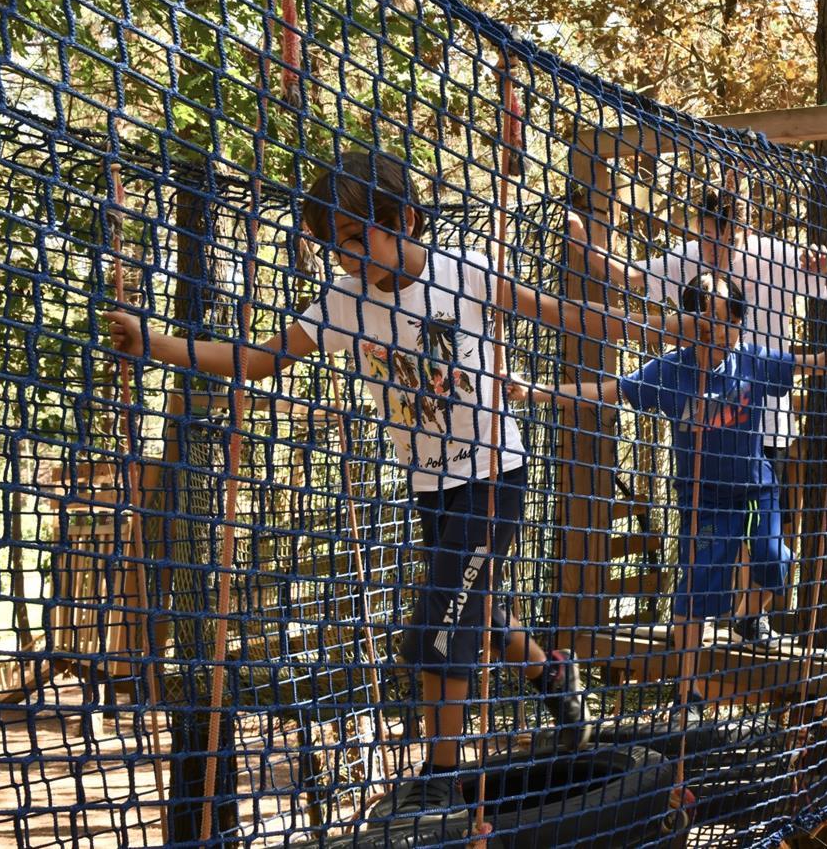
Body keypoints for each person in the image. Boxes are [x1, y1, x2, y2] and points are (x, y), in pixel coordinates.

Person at [105, 151, 630, 817]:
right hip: (430, 484)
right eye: (333, 246)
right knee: (475, 610)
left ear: (403, 220)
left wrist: (662, 327)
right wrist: (156, 342)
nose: (344, 258)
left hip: (494, 473)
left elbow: (566, 314)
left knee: (438, 626)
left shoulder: (463, 274)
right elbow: (258, 359)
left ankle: (441, 775)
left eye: (353, 241)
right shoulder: (344, 302)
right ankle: (554, 674)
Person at [509, 271, 827, 715]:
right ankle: (687, 692)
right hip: (703, 499)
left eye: (721, 321)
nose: (712, 331)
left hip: (756, 489)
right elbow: (607, 391)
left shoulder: (752, 362)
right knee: (695, 590)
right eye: (701, 321)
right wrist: (538, 392)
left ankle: (750, 616)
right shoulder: (670, 371)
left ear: (738, 325)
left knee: (775, 561)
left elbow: (817, 362)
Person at [565, 185, 827, 637]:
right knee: (716, 533)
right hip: (706, 420)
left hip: (762, 413)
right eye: (706, 239)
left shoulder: (774, 256)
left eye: (724, 241)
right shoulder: (687, 259)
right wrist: (585, 243)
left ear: (743, 232)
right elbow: (629, 276)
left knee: (765, 542)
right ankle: (704, 622)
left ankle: (750, 615)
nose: (714, 251)